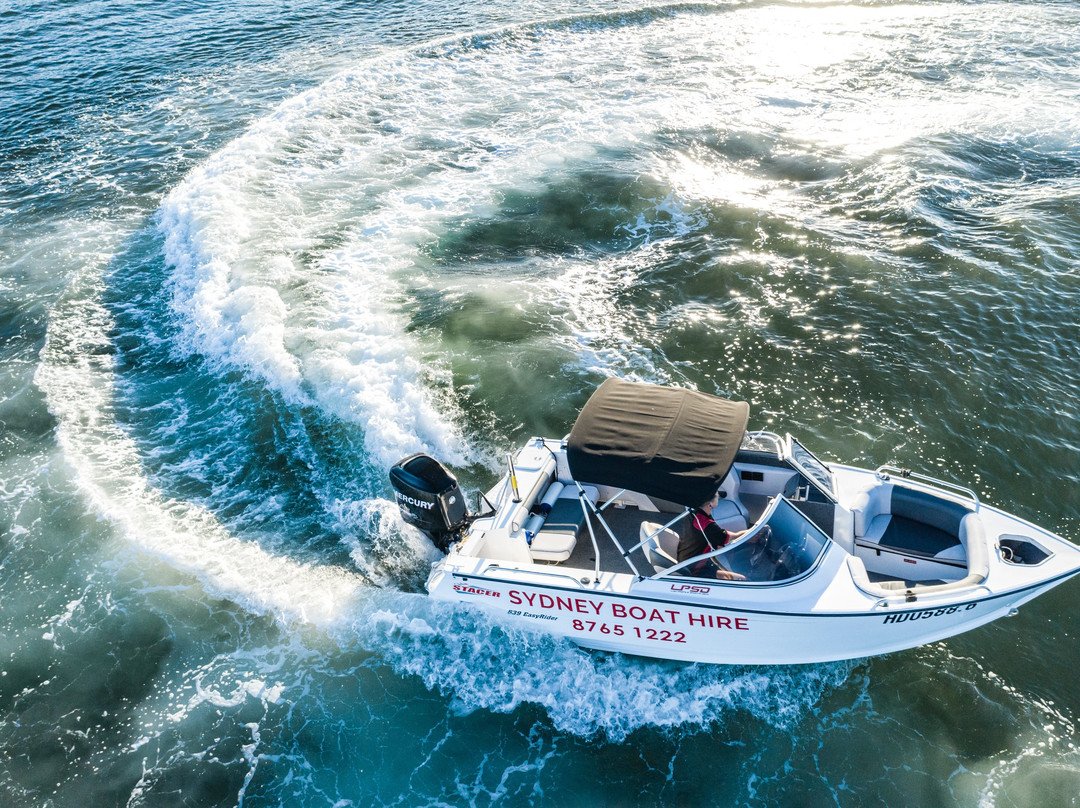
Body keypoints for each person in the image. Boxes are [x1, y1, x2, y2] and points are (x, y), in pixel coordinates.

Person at [677, 490, 760, 581]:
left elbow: (720, 538)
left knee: (728, 550)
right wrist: (753, 532)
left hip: (694, 559)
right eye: (717, 497)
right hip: (696, 569)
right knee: (741, 579)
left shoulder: (695, 513)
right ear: (710, 505)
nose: (719, 498)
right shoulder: (706, 524)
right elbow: (730, 537)